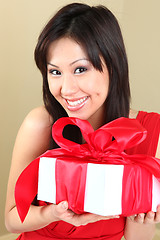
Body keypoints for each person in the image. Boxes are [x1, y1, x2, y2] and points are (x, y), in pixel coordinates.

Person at [5, 3, 160, 240]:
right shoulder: (41, 124)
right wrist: (53, 214)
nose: (66, 89)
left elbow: (137, 237)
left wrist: (143, 218)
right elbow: (12, 220)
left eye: (80, 69)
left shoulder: (149, 133)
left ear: (113, 65)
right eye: (55, 72)